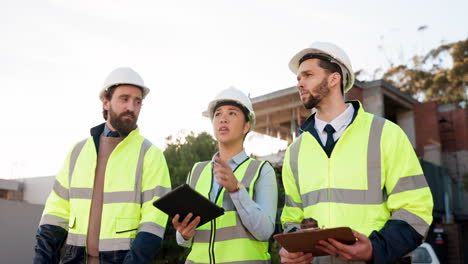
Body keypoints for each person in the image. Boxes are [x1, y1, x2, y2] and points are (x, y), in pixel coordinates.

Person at [279, 42, 434, 263]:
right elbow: (292, 218)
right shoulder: (295, 151)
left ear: (334, 79)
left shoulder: (386, 134)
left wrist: (375, 248)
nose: (300, 84)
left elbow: (416, 209)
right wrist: (292, 248)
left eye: (308, 75)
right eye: (298, 78)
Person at [33, 67, 171, 264]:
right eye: (124, 99)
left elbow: (153, 222)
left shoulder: (150, 155)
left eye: (137, 101)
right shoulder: (77, 152)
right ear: (105, 101)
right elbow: (55, 214)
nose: (131, 107)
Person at [172, 87, 278, 264]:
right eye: (217, 114)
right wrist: (183, 234)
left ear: (246, 126)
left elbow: (265, 231)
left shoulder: (261, 170)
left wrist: (236, 190)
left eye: (232, 113)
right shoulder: (197, 171)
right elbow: (184, 240)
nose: (223, 118)